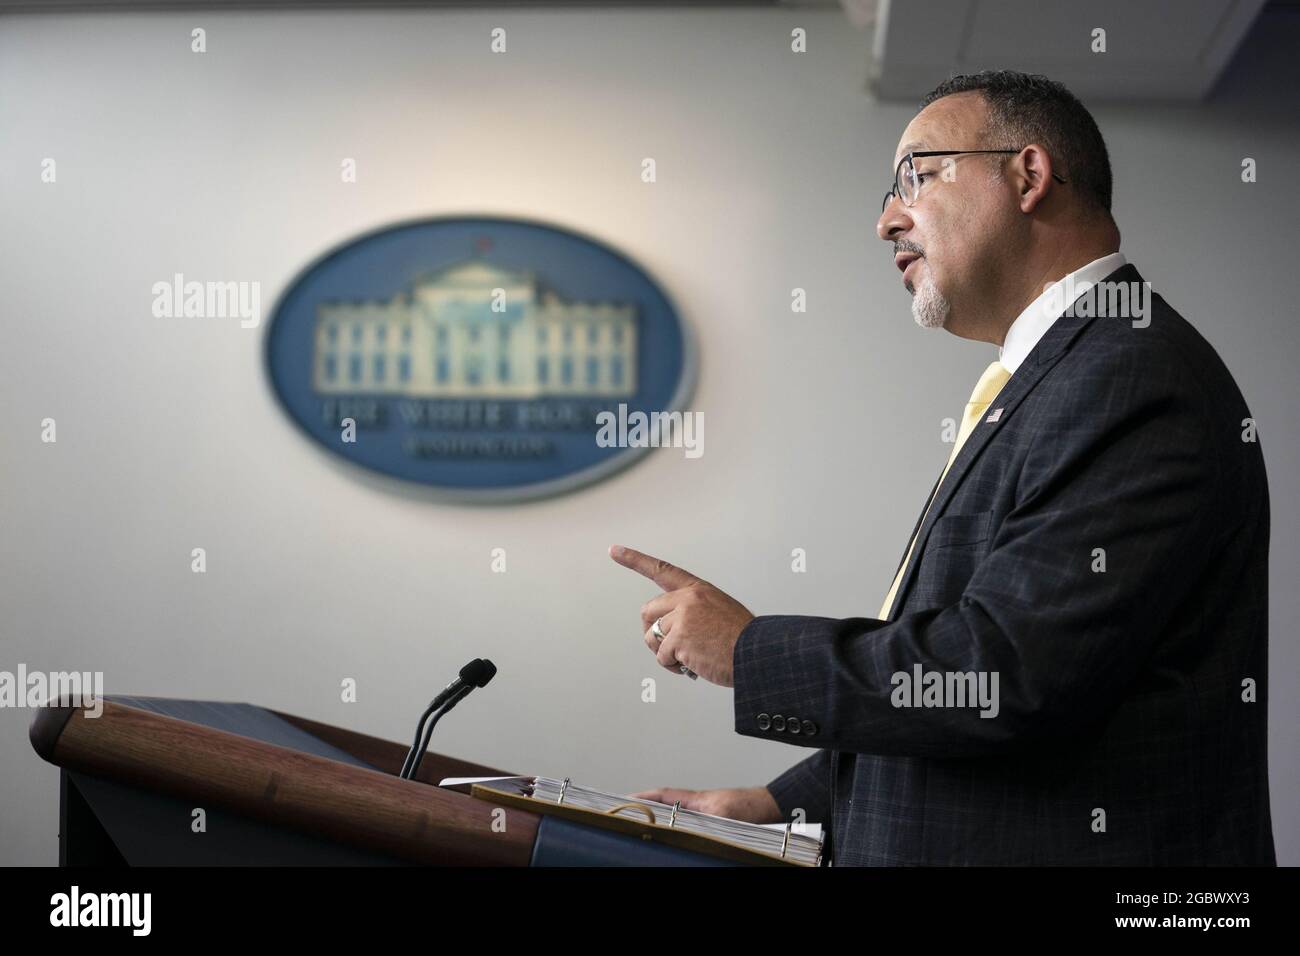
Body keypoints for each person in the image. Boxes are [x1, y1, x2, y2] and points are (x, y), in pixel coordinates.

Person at [609, 70, 1275, 866]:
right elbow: (959, 683)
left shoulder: (1130, 375)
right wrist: (783, 802)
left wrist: (752, 651)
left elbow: (1003, 674)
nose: (888, 219)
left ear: (1027, 176)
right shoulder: (1061, 375)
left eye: (917, 177)